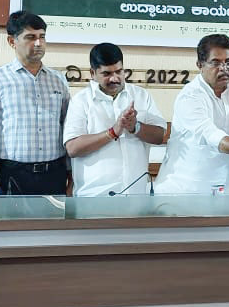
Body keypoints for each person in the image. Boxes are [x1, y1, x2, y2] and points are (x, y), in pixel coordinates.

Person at [154, 34, 229, 194]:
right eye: (216, 63)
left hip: (226, 187)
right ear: (200, 64)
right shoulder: (190, 96)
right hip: (184, 189)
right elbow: (210, 134)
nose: (224, 68)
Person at [0, 11, 70, 195]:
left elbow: (68, 130)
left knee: (55, 217)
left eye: (42, 37)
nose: (38, 43)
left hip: (55, 174)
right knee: (9, 217)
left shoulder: (58, 80)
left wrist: (72, 177)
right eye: (30, 37)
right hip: (12, 174)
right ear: (11, 41)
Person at [63, 43, 166, 196]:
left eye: (119, 71)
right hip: (94, 197)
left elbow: (159, 136)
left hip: (136, 196)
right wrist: (112, 132)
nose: (114, 78)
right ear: (92, 73)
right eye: (106, 73)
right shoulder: (81, 101)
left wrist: (135, 127)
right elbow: (72, 148)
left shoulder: (141, 96)